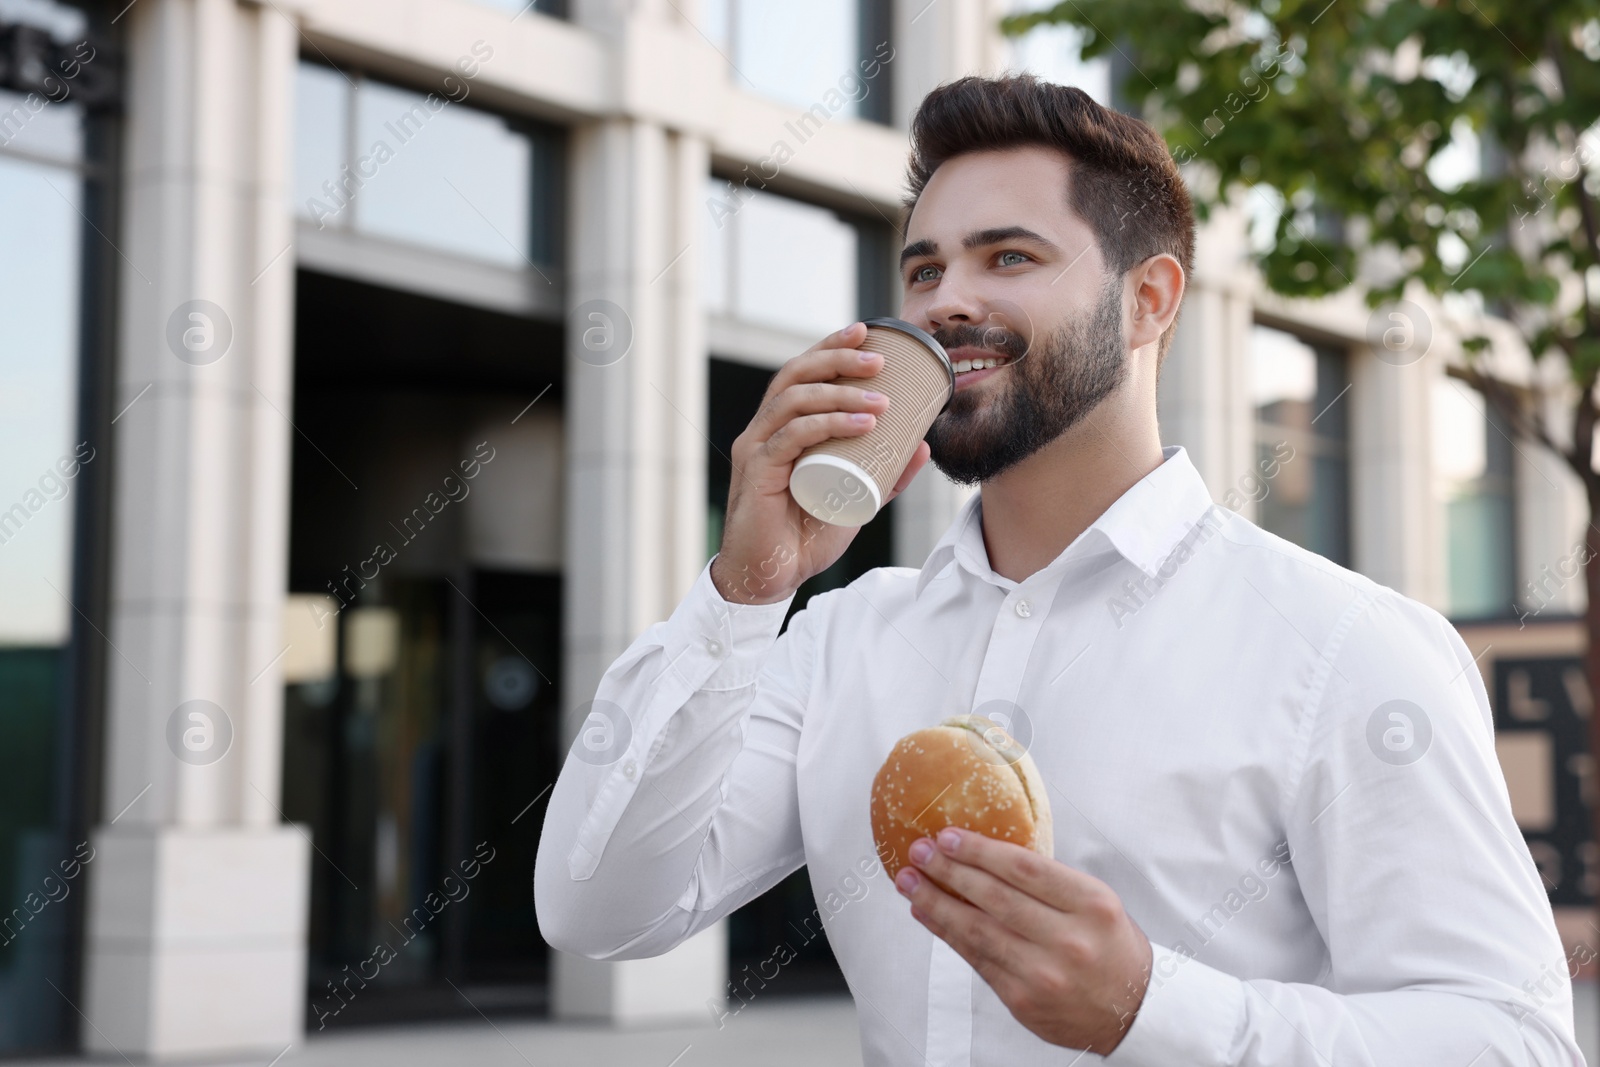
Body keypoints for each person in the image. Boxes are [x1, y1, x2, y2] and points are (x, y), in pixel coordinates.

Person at [534, 73, 1583, 1065]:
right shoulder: (839, 637)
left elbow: (1512, 1038)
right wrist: (744, 590)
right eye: (924, 268)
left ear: (1150, 300)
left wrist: (1151, 1006)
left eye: (1010, 257)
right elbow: (598, 907)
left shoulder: (1345, 646)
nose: (947, 300)